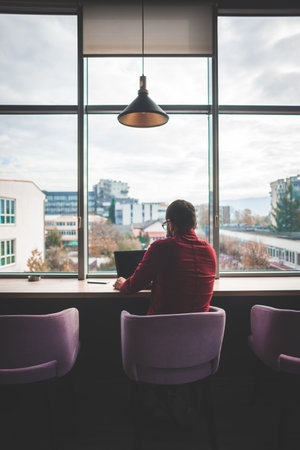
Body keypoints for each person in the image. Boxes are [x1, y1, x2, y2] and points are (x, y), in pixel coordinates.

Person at [113, 199, 216, 315]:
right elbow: (184, 280)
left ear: (170, 224)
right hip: (201, 330)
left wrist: (122, 283)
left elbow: (133, 286)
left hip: (162, 329)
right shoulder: (209, 251)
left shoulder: (160, 247)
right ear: (195, 225)